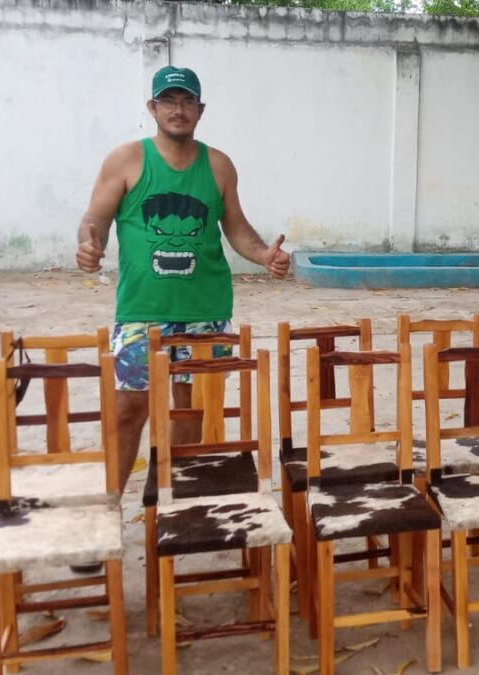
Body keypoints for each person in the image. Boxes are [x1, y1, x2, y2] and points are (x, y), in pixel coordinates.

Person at [76, 65, 290, 490]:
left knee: (193, 411)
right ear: (152, 108)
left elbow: (236, 228)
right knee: (127, 411)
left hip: (205, 311)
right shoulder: (126, 160)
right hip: (141, 311)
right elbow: (93, 220)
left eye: (187, 100)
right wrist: (88, 245)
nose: (178, 109)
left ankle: (177, 499)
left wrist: (264, 254)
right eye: (169, 101)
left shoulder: (219, 165)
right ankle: (110, 504)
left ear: (200, 109)